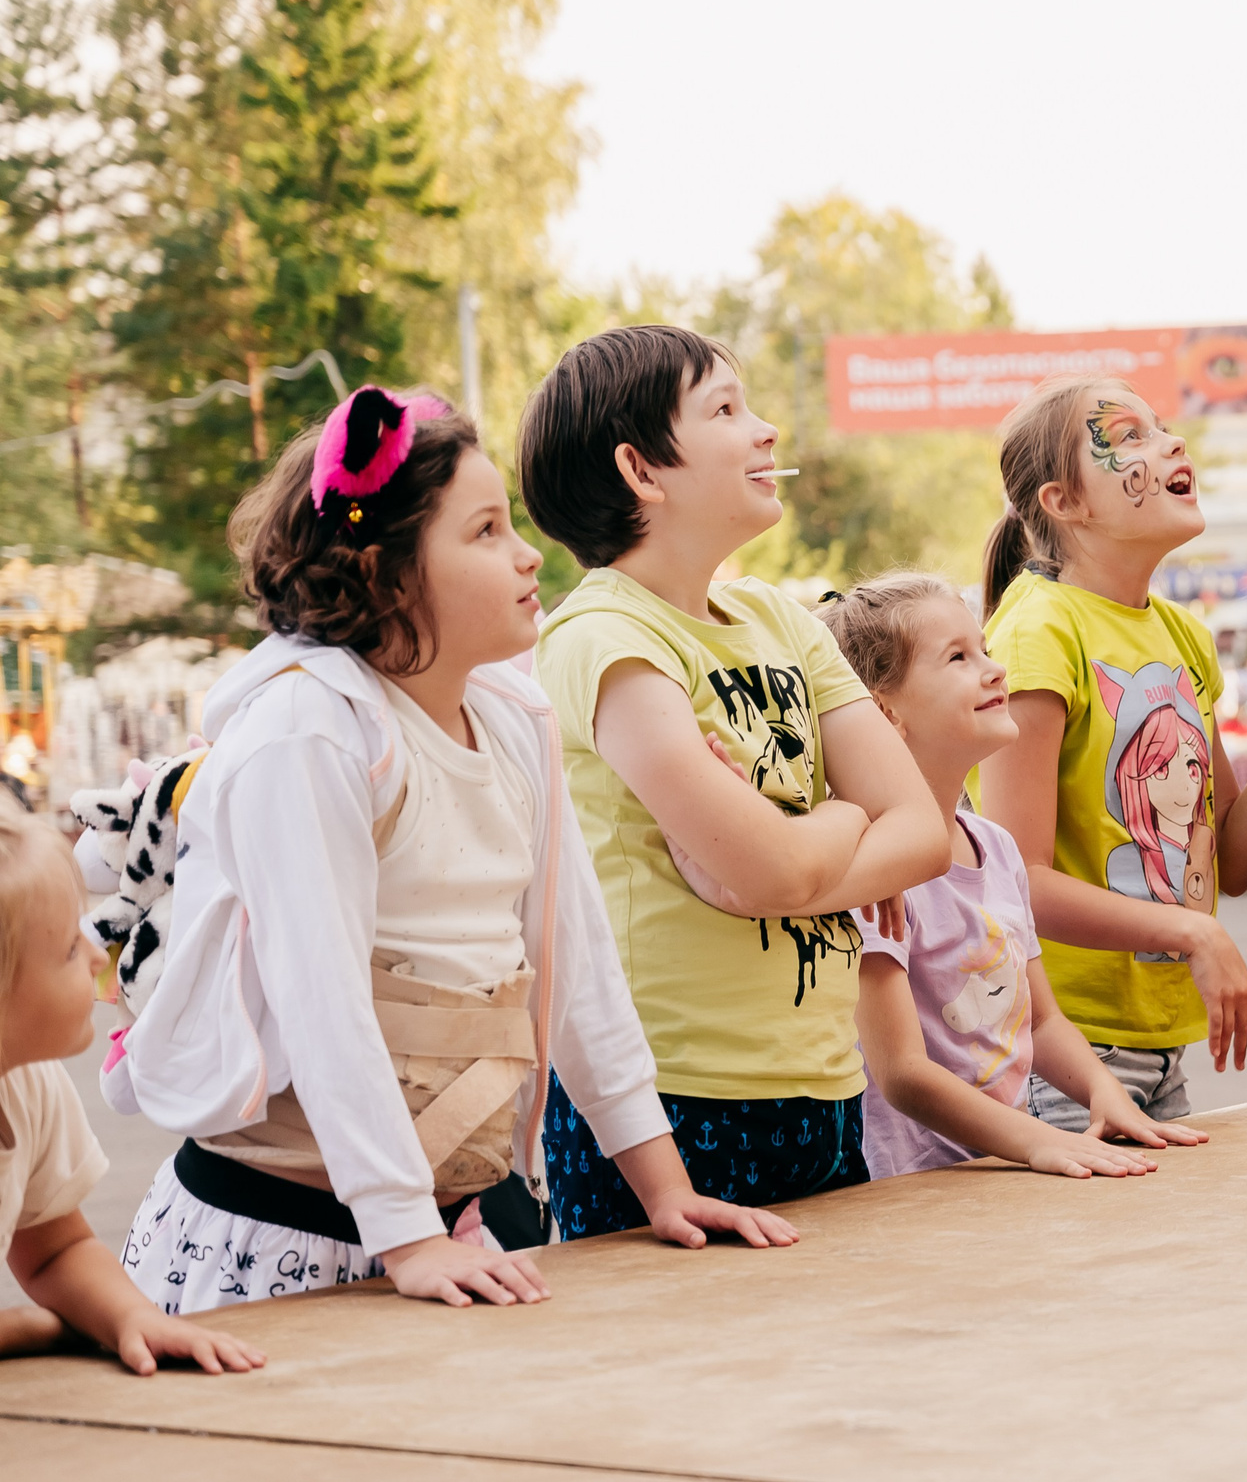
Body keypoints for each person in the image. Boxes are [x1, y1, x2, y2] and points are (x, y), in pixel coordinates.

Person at [110, 386, 789, 1314]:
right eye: (483, 532)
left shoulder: (514, 717)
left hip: (450, 1234)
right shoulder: (308, 730)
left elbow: (577, 964)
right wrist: (407, 1233)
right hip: (288, 1240)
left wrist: (663, 1185)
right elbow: (323, 998)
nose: (525, 556)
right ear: (385, 571)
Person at [518, 328, 949, 1237]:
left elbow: (921, 831)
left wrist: (794, 845)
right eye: (725, 409)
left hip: (828, 1083)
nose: (767, 431)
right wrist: (838, 819)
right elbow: (772, 873)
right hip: (664, 1101)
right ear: (641, 469)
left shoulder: (775, 617)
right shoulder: (601, 635)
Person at [971, 378, 1247, 1129]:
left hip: (1160, 1047)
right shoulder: (1036, 633)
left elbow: (1231, 860)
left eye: (1163, 427)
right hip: (1060, 1052)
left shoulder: (1183, 637)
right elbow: (1017, 881)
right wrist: (1192, 931)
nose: (1173, 442)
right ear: (1062, 501)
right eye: (1130, 436)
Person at [815, 572, 1212, 1178]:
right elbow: (902, 1073)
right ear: (885, 713)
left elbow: (1044, 1022)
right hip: (911, 1190)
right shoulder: (878, 868)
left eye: (985, 650)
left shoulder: (997, 849)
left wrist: (1104, 1093)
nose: (995, 669)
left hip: (993, 1176)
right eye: (957, 657)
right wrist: (1034, 1142)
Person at [0, 805, 262, 1371]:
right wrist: (21, 1327)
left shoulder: (26, 1087)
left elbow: (53, 1249)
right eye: (69, 949)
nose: (97, 954)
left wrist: (133, 1317)